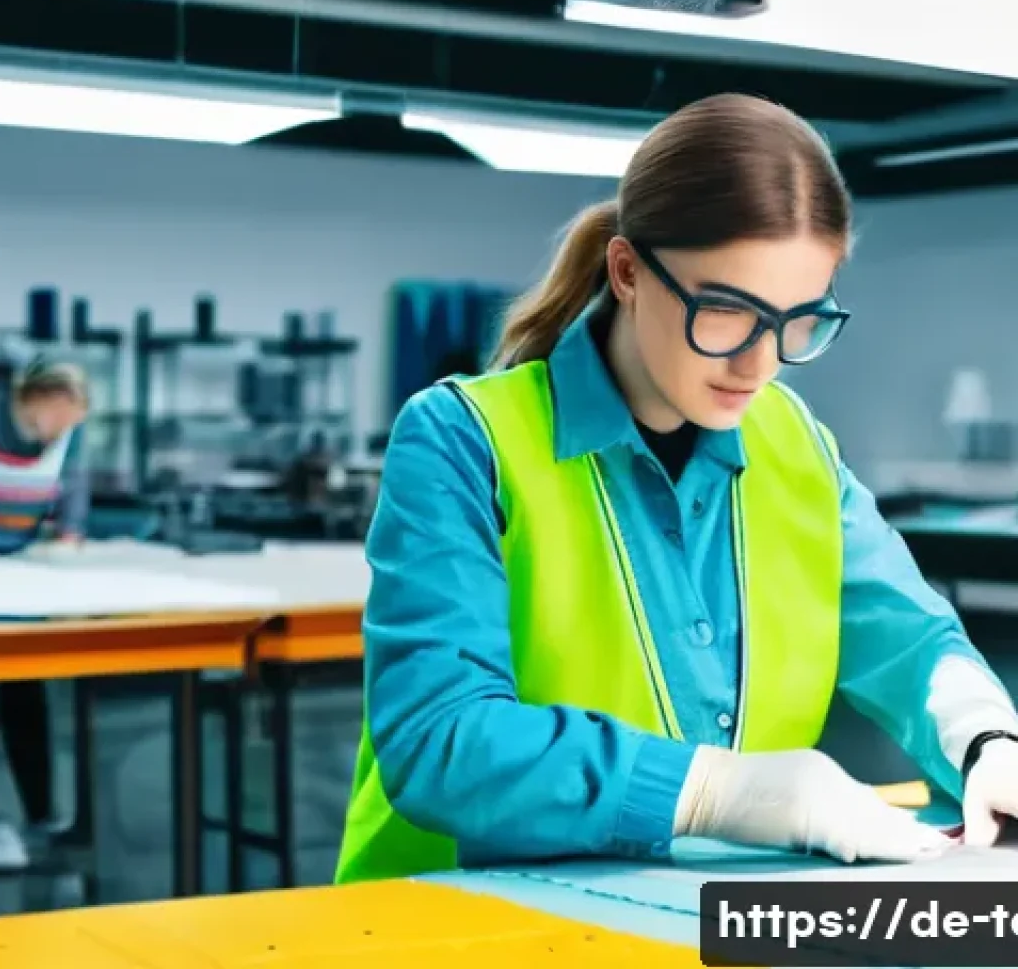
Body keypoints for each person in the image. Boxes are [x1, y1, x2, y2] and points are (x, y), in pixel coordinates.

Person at [336, 94, 1018, 885]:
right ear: (628, 272)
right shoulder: (463, 440)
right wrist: (713, 794)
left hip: (693, 917)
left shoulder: (795, 443)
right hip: (452, 923)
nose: (759, 364)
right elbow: (441, 743)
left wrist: (987, 740)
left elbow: (908, 635)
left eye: (801, 321)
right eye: (727, 311)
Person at [0, 358, 90, 869]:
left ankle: (40, 815)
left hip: (21, 584)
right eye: (61, 414)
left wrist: (71, 533)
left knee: (25, 693)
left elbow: (73, 490)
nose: (66, 427)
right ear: (35, 401)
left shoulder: (68, 438)